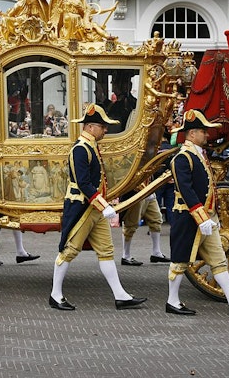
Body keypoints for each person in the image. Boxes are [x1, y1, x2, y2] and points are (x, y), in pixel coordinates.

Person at [49, 103, 147, 311]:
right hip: (82, 207)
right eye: (103, 127)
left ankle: (120, 295)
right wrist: (103, 205)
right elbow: (83, 183)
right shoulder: (80, 149)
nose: (105, 130)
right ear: (91, 127)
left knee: (106, 251)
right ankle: (55, 294)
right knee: (69, 250)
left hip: (94, 208)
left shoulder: (90, 147)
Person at [165, 109, 229, 316]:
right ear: (191, 134)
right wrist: (200, 217)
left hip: (206, 216)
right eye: (202, 131)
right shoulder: (182, 158)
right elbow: (186, 189)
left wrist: (209, 215)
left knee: (218, 258)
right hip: (188, 216)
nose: (207, 135)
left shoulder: (198, 154)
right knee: (180, 259)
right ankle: (172, 301)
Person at [119, 189, 169, 266]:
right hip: (136, 192)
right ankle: (126, 256)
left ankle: (156, 252)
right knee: (131, 224)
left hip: (149, 190)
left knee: (156, 220)